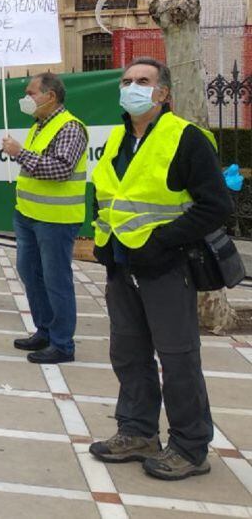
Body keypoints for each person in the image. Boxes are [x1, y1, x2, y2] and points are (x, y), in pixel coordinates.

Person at [88, 58, 232, 480]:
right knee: (128, 354)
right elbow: (107, 198)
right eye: (127, 80)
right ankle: (137, 431)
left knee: (178, 357)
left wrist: (163, 241)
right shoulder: (117, 138)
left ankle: (190, 446)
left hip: (167, 267)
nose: (132, 87)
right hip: (121, 264)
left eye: (143, 81)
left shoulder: (186, 138)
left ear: (163, 93)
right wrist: (103, 243)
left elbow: (216, 206)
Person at [0, 72, 87, 365]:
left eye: (31, 92)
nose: (26, 98)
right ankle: (45, 330)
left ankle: (63, 343)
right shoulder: (40, 125)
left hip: (56, 219)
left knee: (56, 280)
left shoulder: (70, 127)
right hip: (28, 214)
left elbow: (60, 169)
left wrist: (20, 153)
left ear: (50, 96)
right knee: (30, 273)